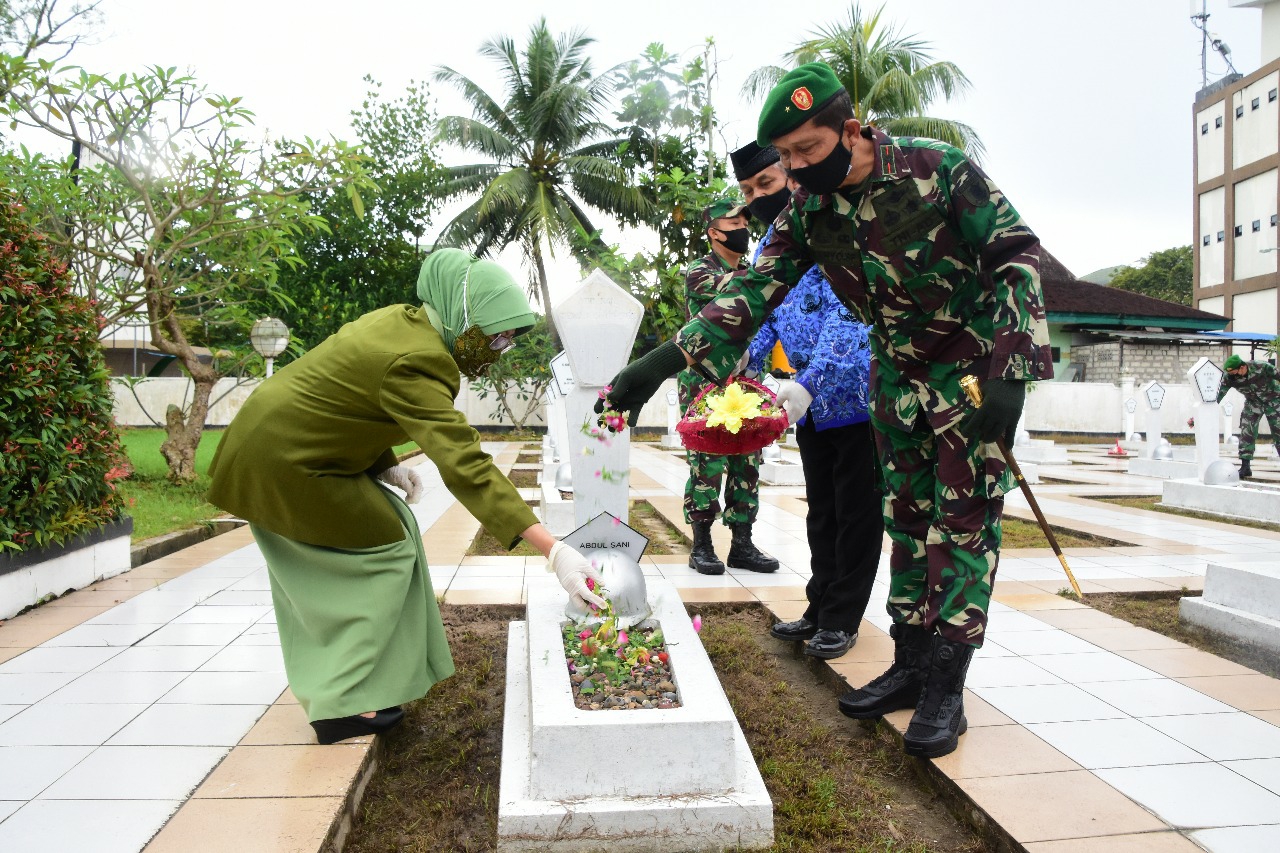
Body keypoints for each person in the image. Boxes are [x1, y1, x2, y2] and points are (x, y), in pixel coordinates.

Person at [597, 62, 1052, 758]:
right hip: (895, 384)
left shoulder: (940, 169)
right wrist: (659, 364)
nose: (796, 168)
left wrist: (1013, 369)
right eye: (785, 157)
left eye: (806, 151)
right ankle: (907, 664)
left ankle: (946, 689)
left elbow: (1017, 256)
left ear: (849, 128)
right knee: (906, 523)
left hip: (969, 380)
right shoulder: (809, 211)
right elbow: (752, 290)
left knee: (961, 528)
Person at [209, 248, 605, 745]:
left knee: (393, 525)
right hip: (283, 466)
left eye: (509, 337)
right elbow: (466, 463)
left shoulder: (406, 323)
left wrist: (383, 462)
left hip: (277, 450)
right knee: (387, 548)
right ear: (464, 317)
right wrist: (555, 550)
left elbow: (348, 400)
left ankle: (357, 685)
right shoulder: (419, 359)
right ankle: (341, 701)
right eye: (495, 334)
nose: (501, 347)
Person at [732, 140, 883, 662]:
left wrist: (810, 380)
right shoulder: (773, 243)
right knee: (821, 511)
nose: (757, 199)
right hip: (809, 403)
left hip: (856, 399)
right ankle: (819, 606)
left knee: (855, 513)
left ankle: (843, 617)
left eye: (766, 185)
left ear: (794, 173)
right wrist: (745, 357)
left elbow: (851, 316)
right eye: (749, 192)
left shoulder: (837, 229)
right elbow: (766, 311)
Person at [680, 199, 779, 575]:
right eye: (733, 221)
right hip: (707, 383)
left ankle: (742, 544)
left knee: (748, 459)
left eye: (744, 220)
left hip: (746, 381)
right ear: (714, 232)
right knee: (708, 461)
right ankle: (701, 545)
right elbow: (748, 293)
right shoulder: (700, 272)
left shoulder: (751, 269)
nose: (742, 226)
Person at [1218, 354, 1280, 478]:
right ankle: (1245, 466)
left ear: (1242, 368)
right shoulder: (1229, 377)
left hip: (1273, 400)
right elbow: (1219, 394)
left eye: (1235, 372)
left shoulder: (1262, 367)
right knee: (1247, 431)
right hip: (1253, 403)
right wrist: (1204, 411)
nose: (1232, 376)